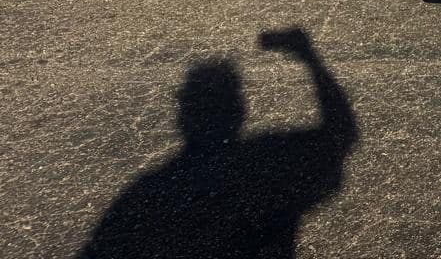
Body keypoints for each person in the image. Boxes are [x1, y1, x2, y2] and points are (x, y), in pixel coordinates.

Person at [78, 27, 358, 258]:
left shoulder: (148, 193)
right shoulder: (267, 165)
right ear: (240, 111)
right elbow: (341, 132)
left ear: (183, 115)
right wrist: (309, 58)